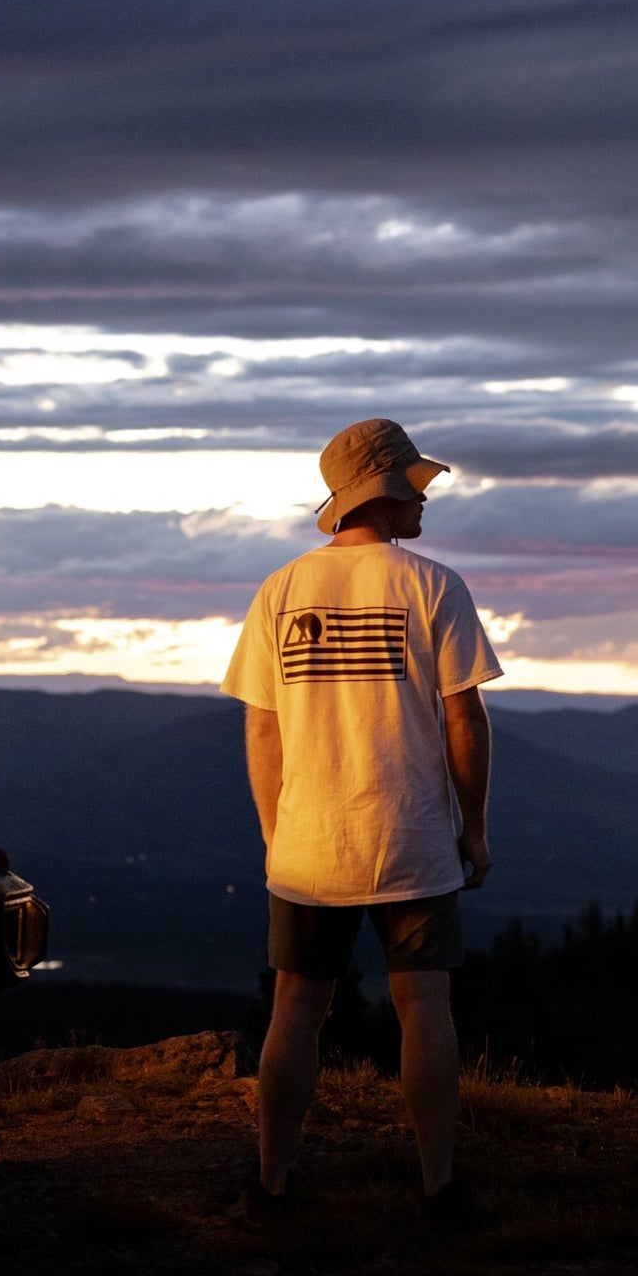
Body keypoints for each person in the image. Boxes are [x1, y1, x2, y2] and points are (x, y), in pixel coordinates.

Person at [220, 418, 501, 1222]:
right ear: (386, 489)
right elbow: (464, 719)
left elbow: (262, 724)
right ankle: (439, 1186)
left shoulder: (280, 589)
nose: (425, 501)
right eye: (417, 486)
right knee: (425, 1006)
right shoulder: (432, 584)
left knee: (296, 1010)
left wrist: (277, 834)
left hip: (308, 844)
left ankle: (271, 1184)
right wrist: (473, 827)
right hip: (412, 836)